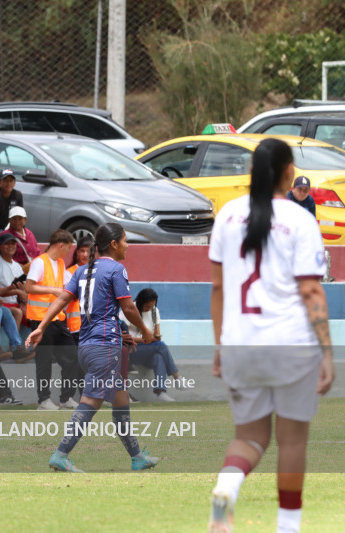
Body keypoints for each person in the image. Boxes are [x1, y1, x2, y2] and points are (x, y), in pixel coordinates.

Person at [207, 138, 334, 533]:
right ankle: (288, 527)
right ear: (288, 172)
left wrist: (220, 345)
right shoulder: (300, 219)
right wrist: (327, 353)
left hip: (241, 344)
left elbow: (217, 288)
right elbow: (312, 290)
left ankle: (226, 490)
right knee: (292, 441)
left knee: (249, 437)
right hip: (292, 344)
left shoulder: (226, 215)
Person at [26, 222, 160, 473]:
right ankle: (61, 454)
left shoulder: (82, 271)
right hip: (105, 345)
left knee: (120, 400)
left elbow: (63, 299)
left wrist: (41, 326)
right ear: (113, 244)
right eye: (125, 240)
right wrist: (145, 330)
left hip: (86, 345)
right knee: (91, 401)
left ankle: (137, 456)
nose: (127, 245)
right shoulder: (116, 269)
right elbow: (129, 307)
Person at [25, 229, 81, 410]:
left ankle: (66, 398)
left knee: (72, 356)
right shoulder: (39, 262)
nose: (69, 251)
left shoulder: (60, 263)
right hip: (40, 320)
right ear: (61, 245)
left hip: (58, 319)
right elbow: (29, 287)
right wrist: (52, 290)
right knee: (44, 360)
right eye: (69, 247)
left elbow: (65, 287)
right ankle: (44, 400)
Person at [121, 288, 183, 402]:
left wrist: (155, 337)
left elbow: (157, 333)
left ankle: (161, 393)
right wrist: (144, 340)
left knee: (159, 357)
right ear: (140, 303)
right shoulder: (130, 310)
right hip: (132, 350)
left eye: (151, 306)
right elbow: (123, 337)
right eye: (146, 307)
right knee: (161, 346)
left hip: (148, 349)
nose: (149, 309)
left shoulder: (154, 312)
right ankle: (177, 377)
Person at [0, 232, 27, 329]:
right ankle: (15, 344)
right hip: (1, 303)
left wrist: (22, 296)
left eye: (13, 244)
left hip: (17, 303)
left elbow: (24, 290)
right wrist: (17, 291)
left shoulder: (17, 266)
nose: (11, 246)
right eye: (7, 243)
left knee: (38, 313)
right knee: (18, 312)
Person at [65, 235, 93, 342]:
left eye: (88, 251)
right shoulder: (69, 273)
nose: (85, 255)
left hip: (93, 327)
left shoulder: (98, 271)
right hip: (76, 327)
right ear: (77, 252)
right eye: (82, 251)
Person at [0, 206, 39, 272]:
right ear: (9, 220)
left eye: (20, 218)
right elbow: (3, 258)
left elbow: (37, 252)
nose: (17, 221)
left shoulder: (29, 233)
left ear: (25, 219)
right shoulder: (4, 235)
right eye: (14, 219)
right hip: (14, 271)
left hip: (33, 270)